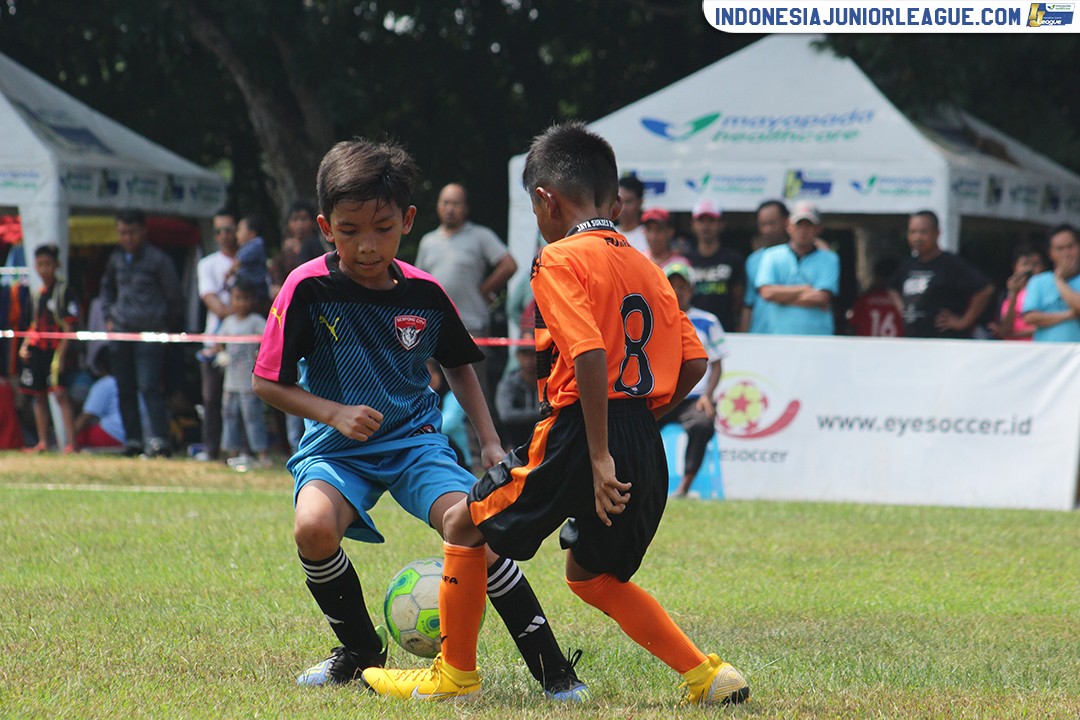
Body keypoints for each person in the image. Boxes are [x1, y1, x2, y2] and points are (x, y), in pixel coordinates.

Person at [362, 122, 749, 706]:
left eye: (533, 207)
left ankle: (453, 676)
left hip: (577, 433)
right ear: (610, 198)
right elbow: (693, 366)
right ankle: (707, 675)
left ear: (546, 200)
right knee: (593, 577)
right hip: (639, 432)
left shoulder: (559, 260)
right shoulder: (648, 266)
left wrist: (598, 455)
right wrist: (639, 428)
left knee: (466, 522)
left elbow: (589, 352)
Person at [251, 139, 587, 699]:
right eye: (350, 229)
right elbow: (267, 381)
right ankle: (359, 656)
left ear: (407, 221)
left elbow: (459, 364)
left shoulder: (426, 294)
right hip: (335, 448)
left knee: (477, 529)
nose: (366, 245)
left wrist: (487, 441)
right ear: (325, 226)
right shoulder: (306, 287)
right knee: (311, 528)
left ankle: (555, 671)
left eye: (382, 229)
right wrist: (332, 412)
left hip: (416, 445)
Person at [100, 209, 180, 457]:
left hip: (150, 333)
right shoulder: (116, 259)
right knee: (124, 388)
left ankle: (159, 440)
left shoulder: (158, 260)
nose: (127, 238)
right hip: (121, 333)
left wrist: (165, 327)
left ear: (143, 231)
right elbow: (106, 291)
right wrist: (109, 318)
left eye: (132, 232)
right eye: (122, 233)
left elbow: (175, 297)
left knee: (149, 387)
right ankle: (133, 441)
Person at [660, 262, 728, 498]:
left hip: (695, 397)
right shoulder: (655, 317)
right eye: (672, 285)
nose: (677, 291)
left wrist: (708, 396)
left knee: (702, 424)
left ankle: (684, 488)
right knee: (636, 425)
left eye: (682, 286)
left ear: (692, 290)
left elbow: (716, 364)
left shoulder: (707, 321)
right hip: (662, 393)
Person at [888, 210, 994, 339]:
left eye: (923, 232)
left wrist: (964, 322)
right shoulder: (907, 264)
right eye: (913, 232)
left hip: (944, 341)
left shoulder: (950, 264)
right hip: (914, 340)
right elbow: (892, 287)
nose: (917, 237)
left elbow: (985, 289)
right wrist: (903, 309)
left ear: (937, 233)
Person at [17, 244, 78, 452]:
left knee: (60, 394)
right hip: (38, 350)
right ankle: (43, 442)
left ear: (56, 265)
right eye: (40, 264)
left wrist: (62, 356)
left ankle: (71, 443)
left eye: (48, 264)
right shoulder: (37, 294)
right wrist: (24, 345)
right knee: (38, 395)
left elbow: (69, 325)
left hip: (56, 350)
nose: (44, 269)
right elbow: (33, 324)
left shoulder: (63, 291)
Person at [754, 202, 839, 336]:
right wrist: (805, 288)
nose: (803, 230)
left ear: (818, 228)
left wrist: (780, 297)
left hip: (819, 339)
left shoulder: (829, 258)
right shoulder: (771, 255)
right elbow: (767, 293)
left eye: (809, 225)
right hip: (778, 337)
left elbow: (821, 297)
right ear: (788, 226)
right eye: (799, 224)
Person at [211, 281, 270, 469]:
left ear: (252, 300)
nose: (241, 303)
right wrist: (221, 353)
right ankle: (232, 453)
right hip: (230, 382)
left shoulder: (256, 321)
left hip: (249, 382)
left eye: (245, 298)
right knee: (230, 416)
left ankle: (262, 454)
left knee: (253, 417)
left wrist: (259, 354)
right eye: (237, 298)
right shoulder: (228, 322)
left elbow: (268, 340)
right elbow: (218, 341)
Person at [195, 210, 238, 461]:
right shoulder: (207, 264)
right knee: (211, 398)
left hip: (243, 344)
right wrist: (243, 307)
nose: (223, 236)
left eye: (228, 230)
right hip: (214, 342)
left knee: (242, 400)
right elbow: (217, 308)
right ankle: (211, 450)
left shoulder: (250, 261)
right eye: (218, 231)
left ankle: (241, 451)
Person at [686, 198, 745, 333]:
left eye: (711, 221)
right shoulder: (685, 260)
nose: (706, 226)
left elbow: (738, 300)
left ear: (721, 224)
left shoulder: (733, 259)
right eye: (701, 221)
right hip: (691, 331)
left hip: (725, 331)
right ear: (693, 224)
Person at [1022, 224, 1080, 342]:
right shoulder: (1038, 281)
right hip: (1048, 354)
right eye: (1060, 249)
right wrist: (1068, 315)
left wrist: (1060, 280)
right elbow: (1030, 317)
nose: (1066, 253)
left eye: (1070, 247)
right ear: (1051, 254)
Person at [741, 199, 789, 333]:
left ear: (787, 222)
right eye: (763, 224)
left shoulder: (801, 255)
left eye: (773, 223)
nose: (767, 230)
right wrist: (744, 337)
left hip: (792, 334)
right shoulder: (753, 260)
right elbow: (748, 304)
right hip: (760, 334)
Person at [992, 243, 1047, 341]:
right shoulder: (1007, 295)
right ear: (1015, 267)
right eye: (1025, 264)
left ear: (1043, 267)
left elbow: (1051, 325)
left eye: (1035, 264)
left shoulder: (1049, 292)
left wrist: (1014, 335)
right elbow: (1005, 330)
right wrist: (1014, 294)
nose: (1029, 269)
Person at [494, 335, 541, 449]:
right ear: (518, 356)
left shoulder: (548, 380)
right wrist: (541, 414)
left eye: (533, 354)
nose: (528, 360)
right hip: (517, 440)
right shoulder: (509, 383)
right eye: (524, 355)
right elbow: (506, 415)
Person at [848, 257, 905, 337]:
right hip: (896, 346)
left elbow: (853, 324)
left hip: (868, 346)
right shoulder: (903, 300)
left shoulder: (865, 299)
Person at [232, 214, 271, 306]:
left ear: (251, 234)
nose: (237, 234)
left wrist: (229, 272)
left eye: (240, 230)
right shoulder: (247, 246)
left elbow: (238, 261)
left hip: (256, 290)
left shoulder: (256, 244)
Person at [616, 174, 648, 255]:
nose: (623, 208)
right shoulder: (606, 234)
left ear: (640, 202)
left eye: (628, 201)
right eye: (619, 201)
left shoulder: (649, 236)